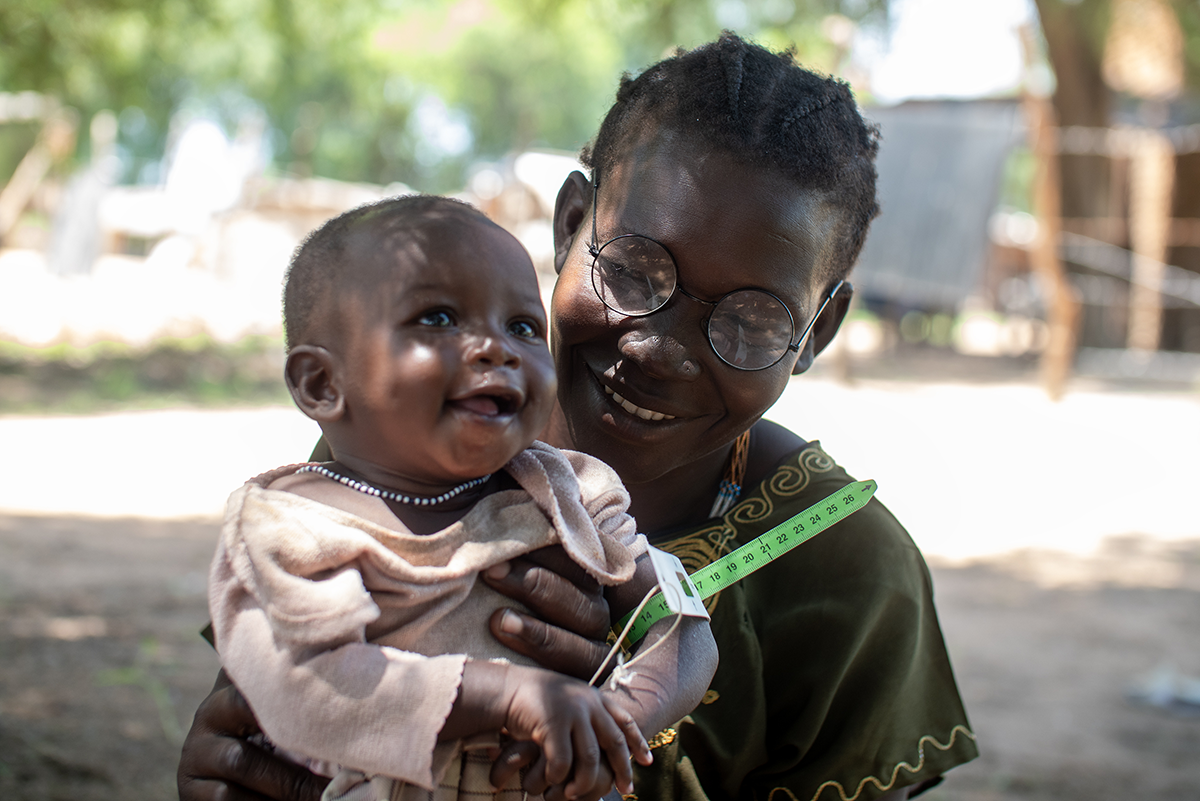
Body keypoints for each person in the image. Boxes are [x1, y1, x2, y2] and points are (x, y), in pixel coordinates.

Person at [179, 33, 978, 801]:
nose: (661, 349)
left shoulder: (850, 575)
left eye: (752, 318)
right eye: (632, 269)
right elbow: (283, 691)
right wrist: (237, 757)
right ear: (569, 227)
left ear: (816, 335)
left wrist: (616, 713)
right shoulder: (417, 447)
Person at [207, 195, 718, 801]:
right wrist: (502, 696)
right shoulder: (291, 524)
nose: (495, 348)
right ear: (323, 384)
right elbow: (302, 686)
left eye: (522, 327)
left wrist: (615, 716)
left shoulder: (569, 488)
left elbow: (680, 622)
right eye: (439, 319)